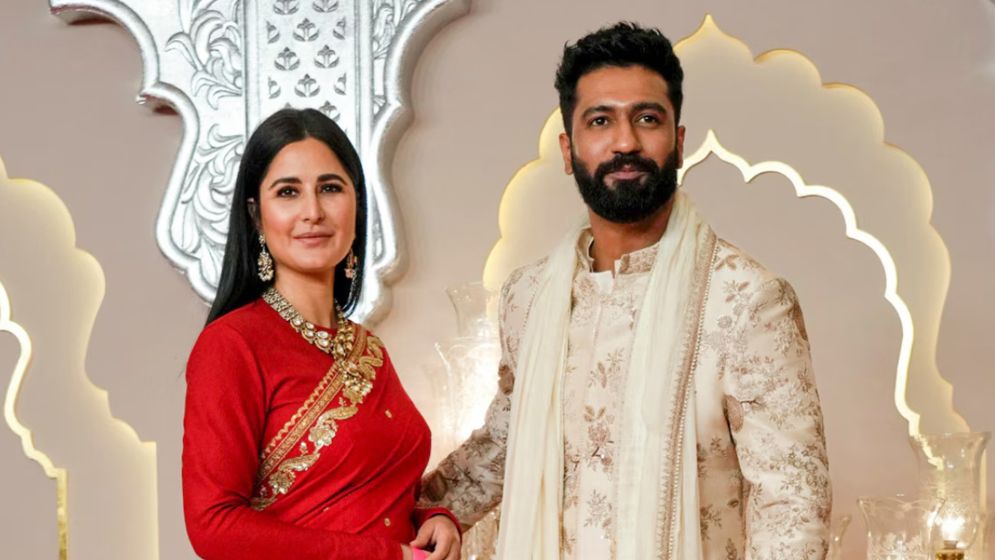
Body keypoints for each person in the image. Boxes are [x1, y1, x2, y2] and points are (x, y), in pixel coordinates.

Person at [420, 22, 831, 559]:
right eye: (600, 120)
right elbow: (504, 443)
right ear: (568, 149)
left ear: (678, 142)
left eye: (647, 118)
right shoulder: (529, 297)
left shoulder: (745, 300)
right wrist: (418, 509)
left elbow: (792, 507)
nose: (625, 142)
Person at [182, 108, 461, 560]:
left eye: (330, 188)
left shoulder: (367, 349)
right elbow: (213, 526)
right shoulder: (232, 345)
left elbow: (381, 492)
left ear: (357, 205)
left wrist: (432, 517)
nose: (312, 212)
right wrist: (388, 557)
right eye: (287, 192)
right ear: (256, 216)